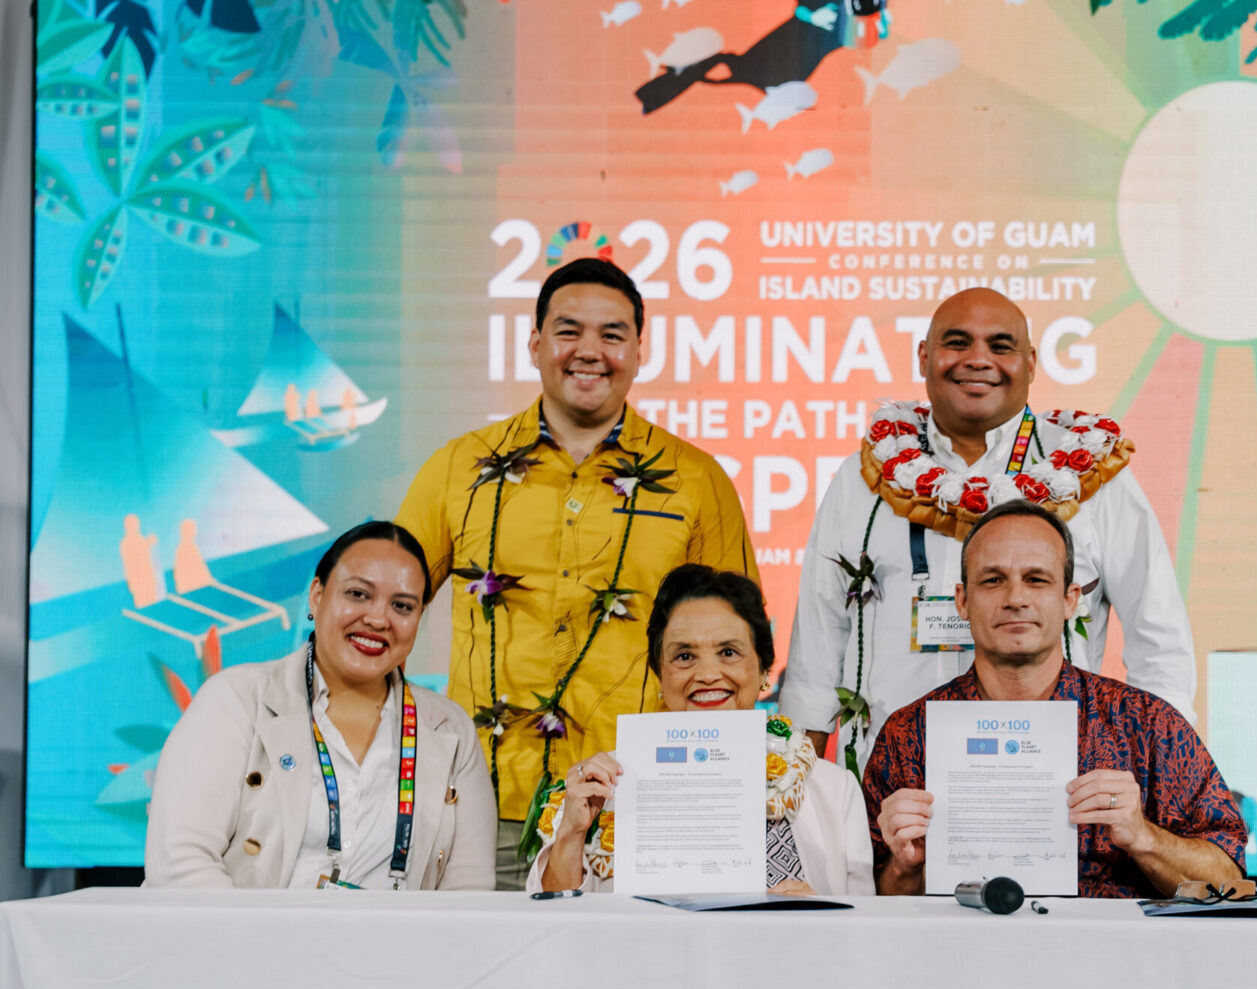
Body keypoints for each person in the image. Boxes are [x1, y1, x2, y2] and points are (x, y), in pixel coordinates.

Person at [397, 258, 756, 890]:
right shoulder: (458, 471)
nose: (589, 351)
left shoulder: (697, 482)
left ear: (640, 350)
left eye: (612, 334)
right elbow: (386, 612)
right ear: (534, 343)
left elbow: (736, 654)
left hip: (640, 802)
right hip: (480, 801)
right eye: (569, 330)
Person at [781, 287, 1194, 774]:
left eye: (1000, 346)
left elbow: (1159, 641)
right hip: (892, 787)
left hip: (1054, 783)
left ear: (1031, 362)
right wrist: (794, 791)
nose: (978, 360)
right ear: (924, 356)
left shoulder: (1090, 475)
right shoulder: (863, 477)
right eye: (957, 343)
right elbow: (818, 644)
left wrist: (1163, 779)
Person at [863, 501, 1245, 897]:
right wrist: (906, 867)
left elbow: (1231, 883)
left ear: (1070, 599)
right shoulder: (908, 735)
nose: (1015, 598)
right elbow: (873, 909)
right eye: (993, 580)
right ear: (962, 600)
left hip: (1113, 956)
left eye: (1037, 579)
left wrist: (1143, 835)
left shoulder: (1147, 725)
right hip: (963, 955)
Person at [144, 521, 497, 890]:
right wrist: (256, 947)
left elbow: (468, 891)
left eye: (402, 606)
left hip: (397, 948)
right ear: (317, 596)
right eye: (359, 594)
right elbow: (180, 862)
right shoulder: (236, 700)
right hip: (246, 943)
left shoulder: (449, 729)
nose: (378, 619)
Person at [528, 564, 874, 896]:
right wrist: (572, 833)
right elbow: (554, 928)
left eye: (728, 652)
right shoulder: (602, 790)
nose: (708, 673)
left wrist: (821, 914)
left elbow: (865, 935)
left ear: (764, 669)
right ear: (660, 675)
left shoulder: (834, 791)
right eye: (684, 656)